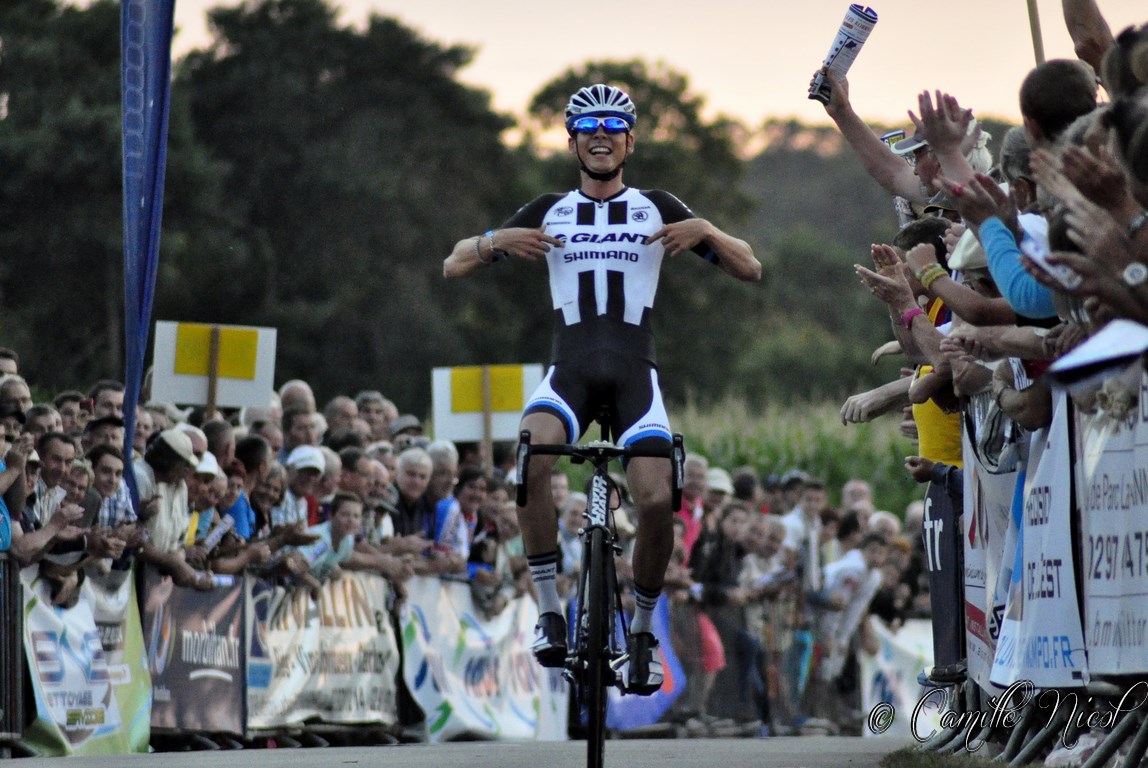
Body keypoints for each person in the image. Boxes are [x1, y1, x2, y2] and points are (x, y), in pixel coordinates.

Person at [444, 83, 760, 694]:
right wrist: (494, 242)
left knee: (655, 500)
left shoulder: (656, 205)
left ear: (630, 141)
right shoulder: (548, 207)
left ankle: (641, 636)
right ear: (571, 141)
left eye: (612, 126)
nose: (599, 135)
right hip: (571, 374)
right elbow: (453, 262)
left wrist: (706, 230)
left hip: (638, 377)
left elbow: (750, 268)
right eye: (586, 126)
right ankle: (549, 613)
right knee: (531, 453)